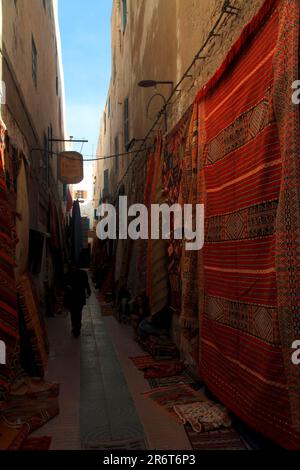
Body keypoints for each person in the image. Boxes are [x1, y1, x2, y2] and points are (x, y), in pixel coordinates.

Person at [64, 264, 91, 337]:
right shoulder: (82, 274)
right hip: (79, 297)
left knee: (74, 314)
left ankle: (75, 328)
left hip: (73, 297)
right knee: (78, 313)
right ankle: (77, 328)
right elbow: (86, 284)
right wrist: (89, 291)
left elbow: (65, 285)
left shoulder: (68, 274)